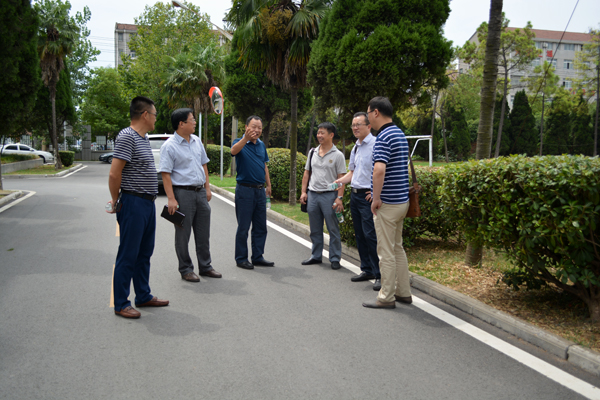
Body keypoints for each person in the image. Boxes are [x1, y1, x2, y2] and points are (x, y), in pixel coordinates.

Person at [108, 96, 169, 319]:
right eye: (154, 114)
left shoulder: (143, 138)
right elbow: (114, 173)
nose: (155, 119)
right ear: (145, 115)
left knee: (144, 253)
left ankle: (143, 295)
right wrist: (115, 200)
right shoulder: (127, 136)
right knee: (128, 254)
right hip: (133, 203)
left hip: (147, 203)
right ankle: (121, 303)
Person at [159, 108, 222, 283]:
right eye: (192, 119)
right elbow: (165, 174)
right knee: (183, 234)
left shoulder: (196, 141)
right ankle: (186, 269)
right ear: (181, 124)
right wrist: (171, 199)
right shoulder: (169, 146)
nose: (194, 122)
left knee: (203, 233)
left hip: (200, 192)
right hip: (182, 193)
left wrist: (207, 188)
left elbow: (204, 165)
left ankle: (206, 266)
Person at [362, 96, 411, 309]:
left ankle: (386, 297)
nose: (368, 118)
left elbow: (379, 170)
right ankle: (403, 292)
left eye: (368, 113)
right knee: (398, 248)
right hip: (402, 202)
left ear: (376, 112)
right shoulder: (399, 133)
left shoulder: (383, 136)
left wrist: (376, 197)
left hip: (388, 204)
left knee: (385, 252)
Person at [335, 112, 381, 290]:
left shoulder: (376, 144)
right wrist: (340, 181)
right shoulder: (356, 146)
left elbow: (381, 171)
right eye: (353, 125)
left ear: (368, 126)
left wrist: (376, 192)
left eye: (358, 124)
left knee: (371, 235)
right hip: (355, 195)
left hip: (368, 196)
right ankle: (367, 269)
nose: (355, 128)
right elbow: (352, 173)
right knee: (360, 234)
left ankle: (379, 274)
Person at [300, 122, 347, 270]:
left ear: (331, 135)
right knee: (315, 229)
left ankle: (335, 258)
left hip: (330, 196)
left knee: (333, 228)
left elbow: (341, 178)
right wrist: (303, 192)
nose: (319, 135)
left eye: (322, 133)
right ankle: (316, 255)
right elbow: (307, 173)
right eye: (318, 132)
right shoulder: (312, 152)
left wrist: (339, 198)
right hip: (313, 195)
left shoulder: (338, 155)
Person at [231, 115, 274, 270]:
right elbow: (233, 151)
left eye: (259, 127)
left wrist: (268, 185)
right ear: (246, 127)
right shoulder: (239, 142)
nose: (257, 130)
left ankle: (257, 256)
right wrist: (245, 139)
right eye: (254, 127)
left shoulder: (261, 145)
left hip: (260, 191)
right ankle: (241, 258)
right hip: (245, 191)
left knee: (261, 226)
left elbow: (264, 165)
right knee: (243, 227)